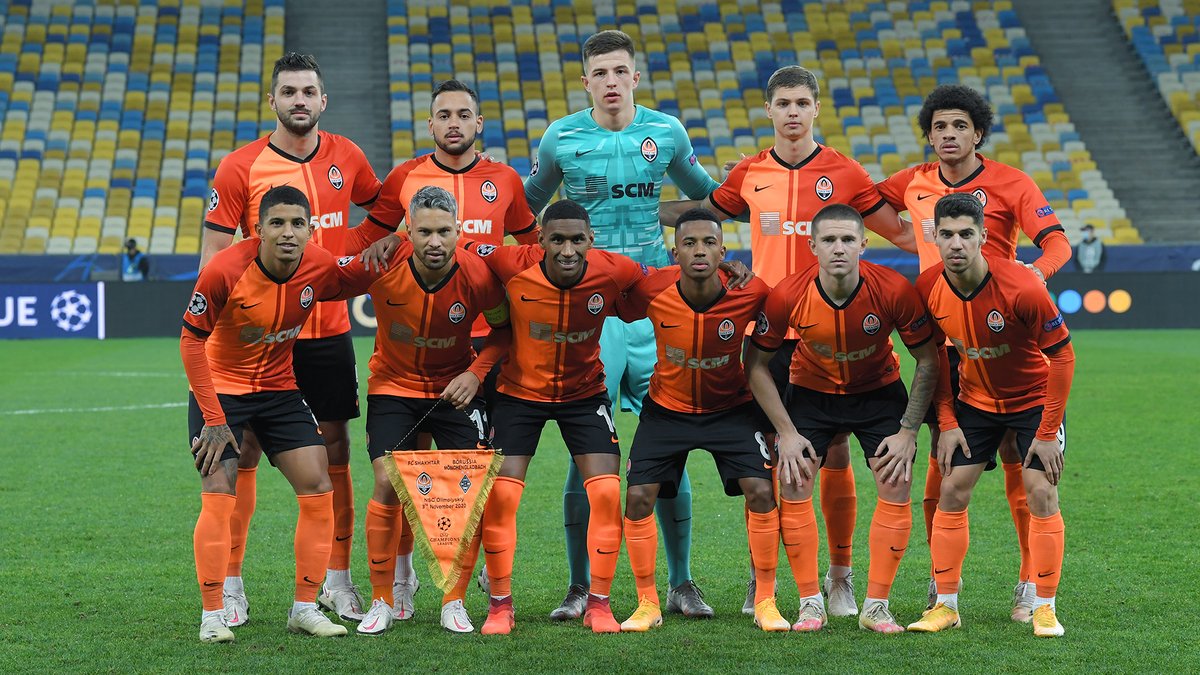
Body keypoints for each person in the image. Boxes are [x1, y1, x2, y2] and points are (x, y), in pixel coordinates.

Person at [661, 65, 916, 616]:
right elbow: (703, 219)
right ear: (770, 111)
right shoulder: (749, 172)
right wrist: (634, 209)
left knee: (835, 454)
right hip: (770, 334)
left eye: (802, 103)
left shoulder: (845, 171)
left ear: (816, 108)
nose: (793, 113)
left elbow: (901, 232)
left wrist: (987, 250)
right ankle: (764, 579)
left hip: (832, 332)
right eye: (784, 104)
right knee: (770, 459)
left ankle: (840, 577)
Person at [523, 29, 722, 619]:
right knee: (588, 449)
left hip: (660, 306)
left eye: (620, 72)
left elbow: (708, 199)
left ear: (635, 77)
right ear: (585, 81)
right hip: (592, 313)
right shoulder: (561, 137)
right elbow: (525, 207)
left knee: (671, 443)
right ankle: (579, 586)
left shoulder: (667, 133)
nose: (611, 82)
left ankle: (681, 583)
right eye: (600, 73)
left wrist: (666, 211)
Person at [199, 52, 388, 625]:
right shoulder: (239, 166)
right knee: (244, 453)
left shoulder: (347, 155)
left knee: (334, 451)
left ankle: (337, 580)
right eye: (289, 92)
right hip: (259, 343)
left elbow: (383, 213)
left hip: (326, 330)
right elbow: (214, 256)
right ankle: (232, 583)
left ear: (323, 100)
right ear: (273, 101)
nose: (299, 101)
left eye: (308, 92)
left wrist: (346, 251)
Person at [876, 83, 1073, 620]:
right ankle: (943, 585)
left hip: (1007, 334)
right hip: (945, 337)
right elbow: (860, 203)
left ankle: (1030, 582)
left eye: (959, 125)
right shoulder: (912, 181)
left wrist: (1036, 274)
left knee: (1021, 466)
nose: (948, 135)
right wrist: (907, 239)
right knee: (943, 470)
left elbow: (1057, 242)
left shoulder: (1012, 182)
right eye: (939, 126)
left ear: (978, 133)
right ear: (929, 134)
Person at [359, 77, 539, 613]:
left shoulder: (505, 179)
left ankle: (482, 568)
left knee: (483, 474)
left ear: (478, 123)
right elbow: (369, 240)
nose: (454, 123)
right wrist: (385, 241)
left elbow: (533, 250)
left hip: (488, 348)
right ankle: (403, 576)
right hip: (419, 349)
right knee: (403, 474)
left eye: (464, 114)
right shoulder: (404, 177)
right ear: (430, 123)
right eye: (444, 115)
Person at [745, 203, 940, 633]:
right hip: (811, 393)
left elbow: (928, 360)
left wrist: (908, 430)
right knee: (794, 479)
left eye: (848, 239)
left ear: (863, 245)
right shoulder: (787, 294)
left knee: (896, 479)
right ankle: (810, 603)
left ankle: (876, 606)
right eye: (829, 240)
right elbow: (755, 365)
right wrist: (786, 432)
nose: (839, 248)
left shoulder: (893, 289)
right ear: (812, 245)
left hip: (878, 392)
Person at [336, 186, 511, 635]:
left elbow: (503, 331)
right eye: (425, 232)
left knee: (467, 488)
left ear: (459, 231)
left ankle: (454, 601)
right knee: (387, 482)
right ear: (408, 231)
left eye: (444, 232)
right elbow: (326, 278)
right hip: (393, 388)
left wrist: (475, 372)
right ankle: (382, 599)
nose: (435, 242)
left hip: (454, 390)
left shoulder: (478, 275)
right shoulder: (383, 262)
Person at [183, 186, 349, 642]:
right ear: (257, 230)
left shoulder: (319, 265)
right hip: (221, 394)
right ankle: (213, 613)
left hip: (279, 390)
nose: (288, 232)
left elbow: (356, 278)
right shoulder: (224, 270)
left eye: (297, 223)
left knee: (318, 485)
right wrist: (214, 418)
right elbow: (191, 341)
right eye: (277, 223)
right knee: (219, 488)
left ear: (311, 230)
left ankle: (304, 608)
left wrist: (391, 246)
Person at [614, 209, 789, 633]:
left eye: (709, 243)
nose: (699, 250)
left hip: (731, 408)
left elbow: (774, 337)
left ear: (723, 252)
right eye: (689, 243)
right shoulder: (653, 288)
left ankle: (765, 600)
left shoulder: (751, 291)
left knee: (761, 491)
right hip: (666, 409)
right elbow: (614, 303)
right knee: (637, 497)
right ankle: (647, 603)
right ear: (675, 253)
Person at [907, 193, 1072, 638]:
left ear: (983, 236)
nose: (956, 243)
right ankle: (946, 605)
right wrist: (947, 422)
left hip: (1033, 401)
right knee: (951, 489)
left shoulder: (1022, 286)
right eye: (947, 234)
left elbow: (1063, 357)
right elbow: (935, 360)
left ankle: (1044, 606)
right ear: (935, 238)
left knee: (1041, 491)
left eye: (966, 234)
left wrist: (1047, 432)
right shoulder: (927, 287)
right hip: (975, 403)